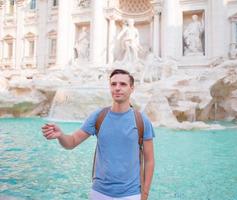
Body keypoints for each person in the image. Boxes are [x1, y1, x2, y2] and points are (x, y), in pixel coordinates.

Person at [41, 69, 155, 200]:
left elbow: (149, 160)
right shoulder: (98, 116)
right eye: (113, 84)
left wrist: (145, 194)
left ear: (132, 88)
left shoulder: (141, 120)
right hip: (99, 193)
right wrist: (61, 135)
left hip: (131, 194)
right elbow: (71, 142)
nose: (117, 88)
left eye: (123, 84)